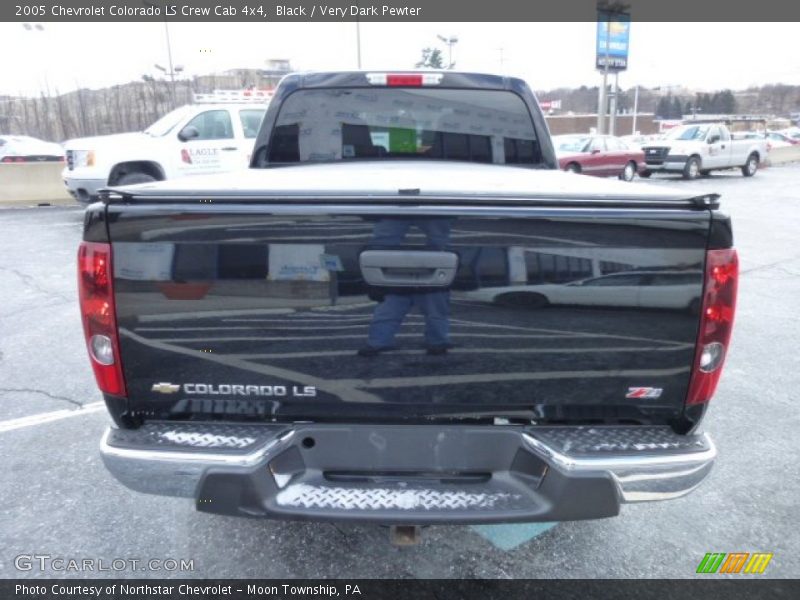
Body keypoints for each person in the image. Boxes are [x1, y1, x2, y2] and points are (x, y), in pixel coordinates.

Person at [358, 217, 454, 357]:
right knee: (435, 312)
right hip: (431, 272)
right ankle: (438, 342)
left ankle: (378, 342)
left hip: (395, 273)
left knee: (388, 312)